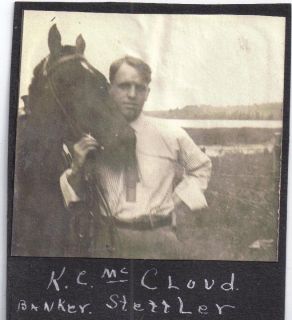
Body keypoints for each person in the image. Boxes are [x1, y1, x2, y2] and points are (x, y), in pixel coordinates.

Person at [60, 56, 212, 259]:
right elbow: (74, 198)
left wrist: (179, 200)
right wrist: (77, 168)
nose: (131, 94)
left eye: (139, 88)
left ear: (147, 93)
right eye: (124, 86)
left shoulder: (170, 134)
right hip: (108, 242)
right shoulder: (90, 137)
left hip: (160, 240)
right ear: (110, 88)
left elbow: (201, 167)